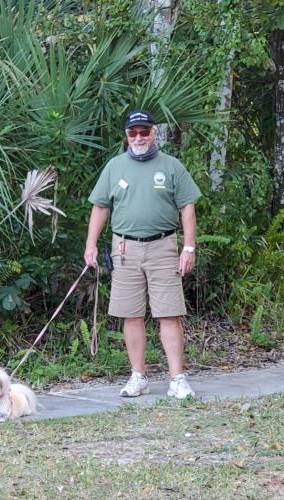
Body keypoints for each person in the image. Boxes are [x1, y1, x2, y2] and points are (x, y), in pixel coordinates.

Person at [84, 109, 201, 399]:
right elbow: (100, 206)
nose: (139, 137)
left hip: (163, 247)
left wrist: (188, 247)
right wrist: (91, 244)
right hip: (125, 248)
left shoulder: (171, 166)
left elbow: (187, 206)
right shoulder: (114, 167)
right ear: (127, 136)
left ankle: (178, 379)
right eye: (133, 132)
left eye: (144, 132)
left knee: (169, 313)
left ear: (154, 133)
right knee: (130, 315)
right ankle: (139, 377)